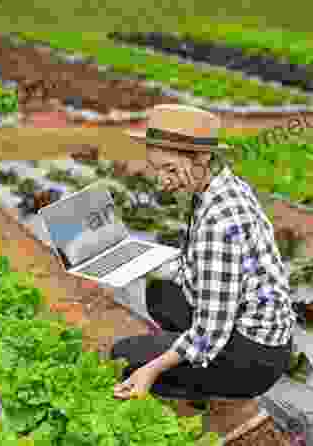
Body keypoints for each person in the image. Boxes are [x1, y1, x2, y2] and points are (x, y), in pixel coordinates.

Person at [110, 104, 296, 437]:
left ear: (201, 160)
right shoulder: (219, 187)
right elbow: (199, 266)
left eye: (170, 169)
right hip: (254, 330)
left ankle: (213, 388)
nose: (162, 181)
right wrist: (139, 259)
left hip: (255, 356)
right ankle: (193, 370)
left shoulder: (220, 222)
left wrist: (151, 371)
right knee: (160, 291)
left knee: (124, 358)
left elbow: (210, 334)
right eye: (156, 169)